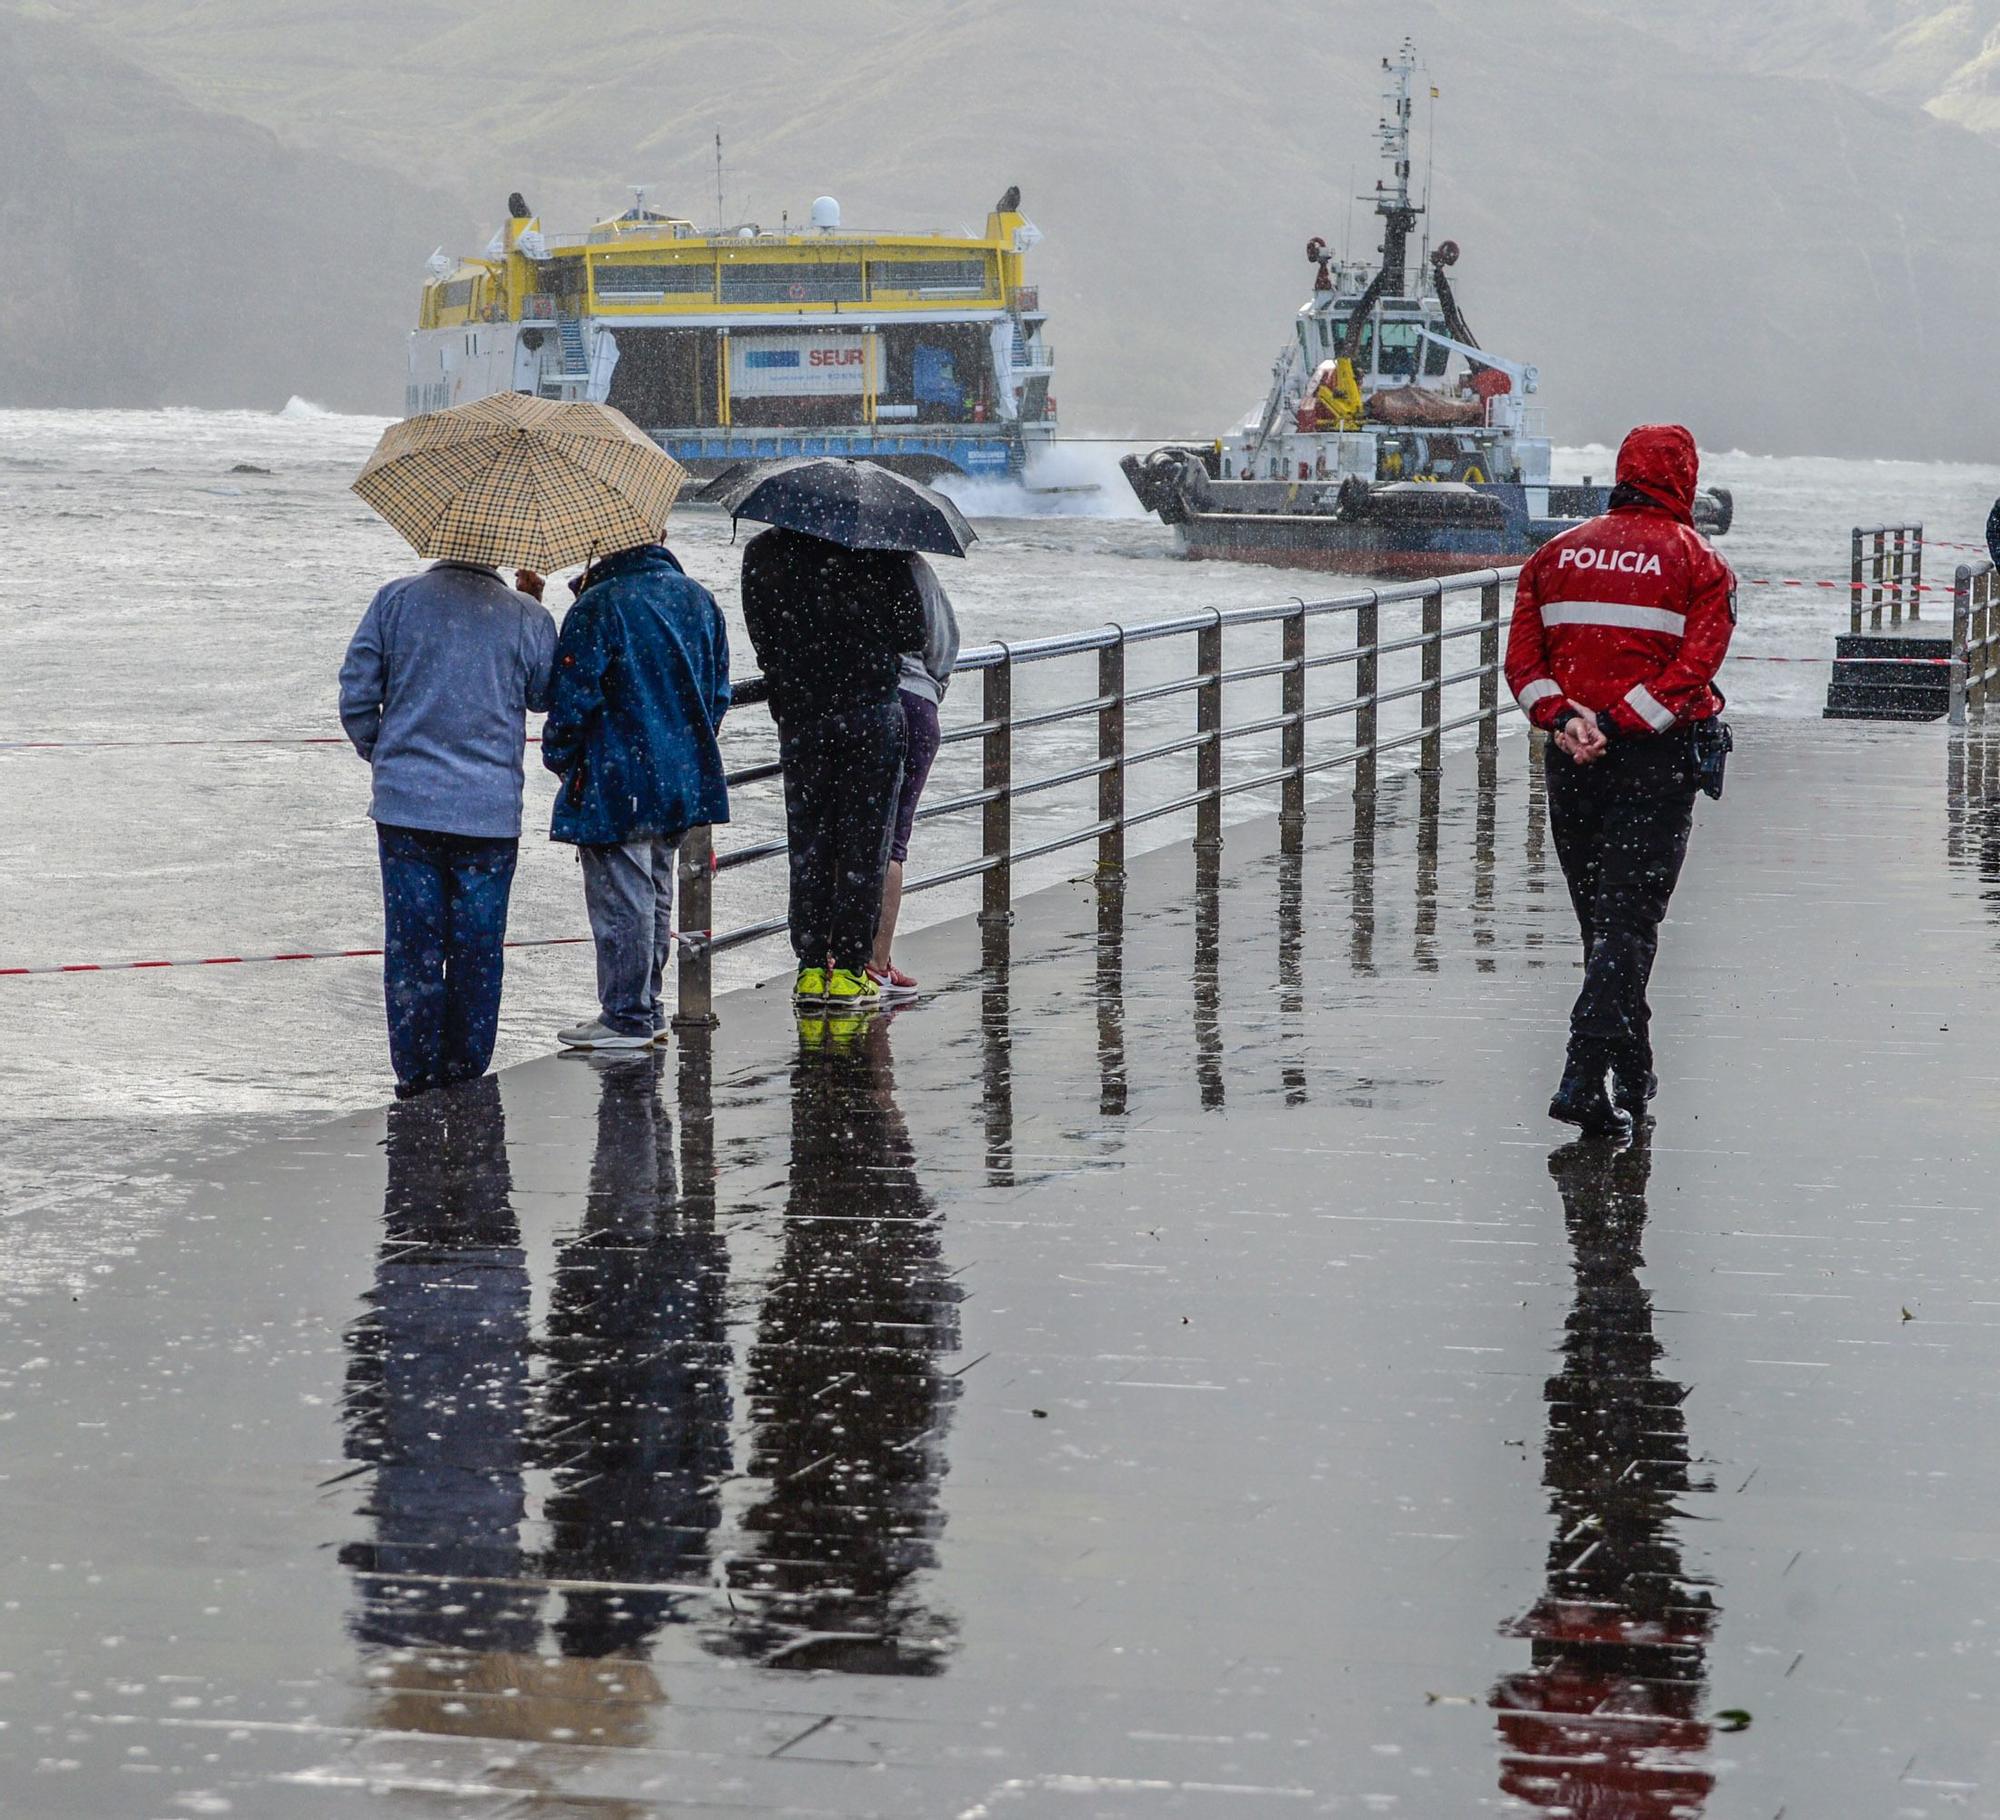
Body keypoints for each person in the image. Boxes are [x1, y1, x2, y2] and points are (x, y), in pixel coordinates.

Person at [1504, 423, 1735, 1136]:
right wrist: (1619, 720)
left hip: (1571, 759)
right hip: (1653, 761)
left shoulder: (1554, 554)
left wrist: (1569, 720)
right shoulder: (1701, 564)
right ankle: (1581, 1073)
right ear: (1685, 477)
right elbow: (1692, 669)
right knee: (1627, 923)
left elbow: (1523, 663)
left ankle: (1632, 1069)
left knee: (1600, 926)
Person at [339, 559, 556, 1097]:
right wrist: (536, 601)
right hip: (488, 813)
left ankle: (416, 1075)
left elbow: (357, 696)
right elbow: (545, 694)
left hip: (407, 808)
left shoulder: (395, 600)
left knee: (412, 945)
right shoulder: (524, 614)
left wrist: (387, 756)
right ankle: (465, 1072)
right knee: (477, 948)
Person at [541, 541, 730, 1051]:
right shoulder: (699, 600)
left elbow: (571, 699)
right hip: (681, 774)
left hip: (615, 772)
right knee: (656, 886)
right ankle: (648, 1005)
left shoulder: (600, 605)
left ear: (600, 543)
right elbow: (718, 694)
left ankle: (625, 1016)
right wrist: (685, 746)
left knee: (623, 894)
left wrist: (563, 760)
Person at [740, 527, 926, 1009]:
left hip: (803, 714)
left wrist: (795, 667)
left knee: (810, 842)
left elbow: (761, 633)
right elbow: (913, 633)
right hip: (871, 713)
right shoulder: (883, 549)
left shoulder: (763, 550)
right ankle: (847, 970)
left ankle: (809, 966)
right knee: (867, 841)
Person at [869, 554, 960, 998]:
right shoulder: (910, 565)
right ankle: (877, 962)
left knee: (848, 834)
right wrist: (929, 688)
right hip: (915, 704)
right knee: (893, 841)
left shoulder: (825, 565)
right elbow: (943, 645)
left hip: (856, 703)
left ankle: (837, 959)